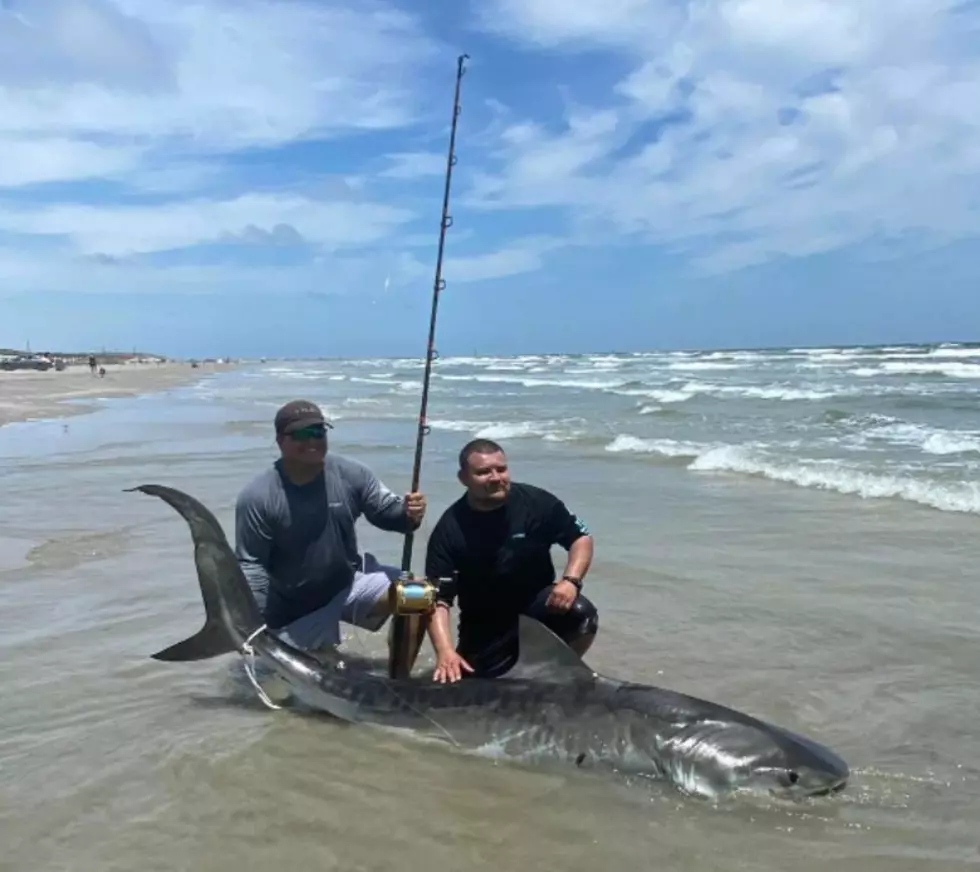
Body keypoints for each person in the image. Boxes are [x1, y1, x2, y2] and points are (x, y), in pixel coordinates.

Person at [234, 399, 426, 658]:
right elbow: (252, 566)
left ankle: (400, 681)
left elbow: (388, 515)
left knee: (420, 595)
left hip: (347, 584)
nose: (312, 441)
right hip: (294, 608)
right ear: (280, 441)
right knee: (288, 689)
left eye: (318, 432)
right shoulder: (258, 496)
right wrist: (254, 628)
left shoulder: (351, 473)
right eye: (301, 434)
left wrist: (409, 513)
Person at [424, 438, 598, 682]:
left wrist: (571, 580)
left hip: (539, 613)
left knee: (581, 613)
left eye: (501, 469)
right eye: (483, 472)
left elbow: (580, 538)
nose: (495, 477)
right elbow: (437, 599)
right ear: (463, 478)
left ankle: (558, 678)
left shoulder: (536, 503)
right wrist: (445, 652)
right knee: (480, 689)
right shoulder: (450, 529)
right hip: (486, 628)